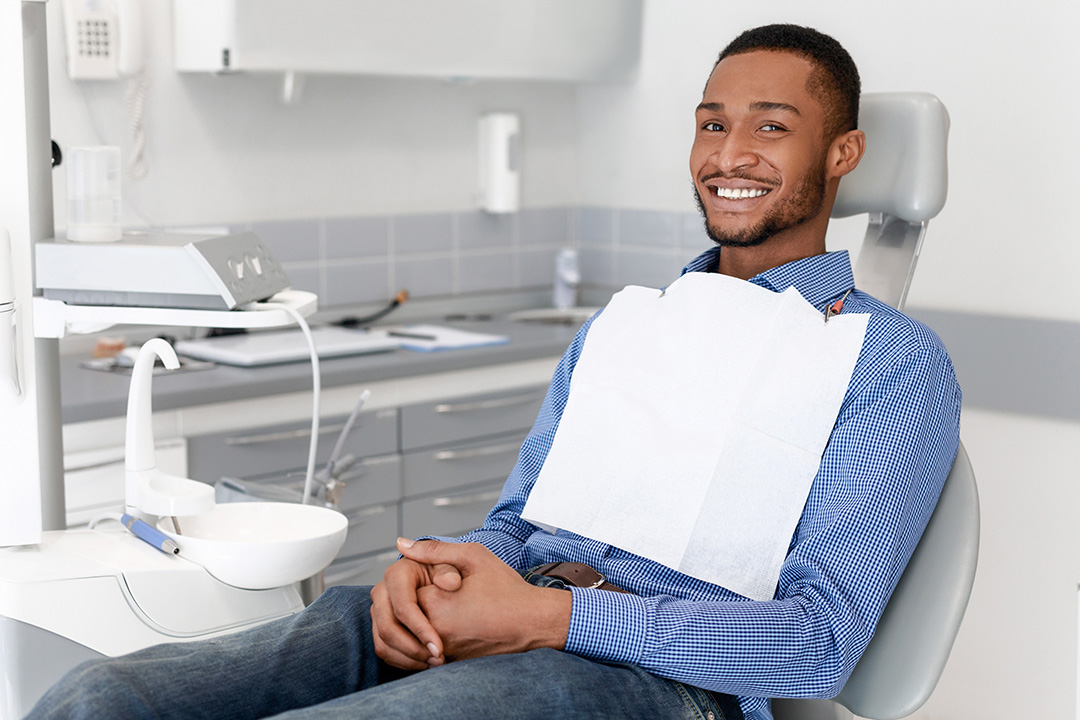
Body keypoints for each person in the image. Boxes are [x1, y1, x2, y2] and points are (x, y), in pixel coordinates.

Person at [28, 23, 960, 720]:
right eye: (712, 124)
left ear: (842, 153)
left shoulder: (887, 363)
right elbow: (516, 525)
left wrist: (549, 621)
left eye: (771, 127)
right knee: (98, 699)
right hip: (504, 618)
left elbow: (817, 644)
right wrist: (439, 572)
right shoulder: (630, 326)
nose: (729, 154)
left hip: (661, 684)